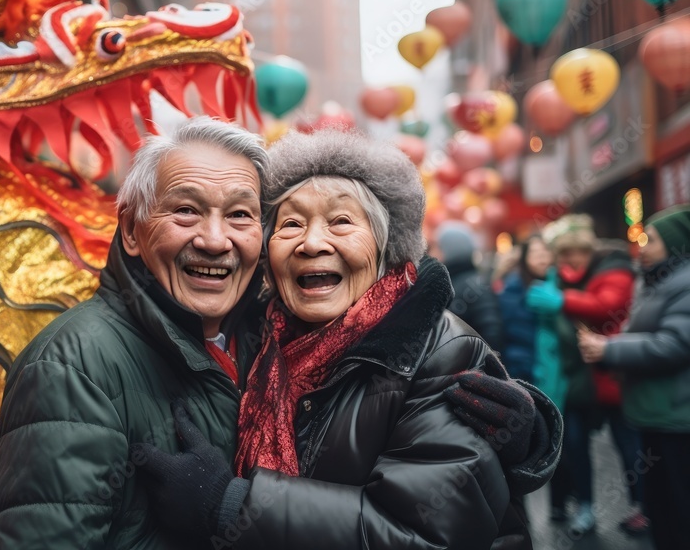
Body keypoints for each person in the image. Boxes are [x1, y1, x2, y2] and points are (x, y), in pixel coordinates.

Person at [132, 129, 561, 550]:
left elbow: (424, 535)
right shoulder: (254, 338)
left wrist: (233, 507)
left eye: (340, 221)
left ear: (385, 247)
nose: (311, 243)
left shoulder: (440, 353)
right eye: (292, 223)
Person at [0, 117, 271, 549]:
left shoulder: (274, 343)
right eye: (186, 210)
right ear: (133, 230)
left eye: (240, 214)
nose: (215, 240)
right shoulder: (73, 367)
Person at [577, 204, 690, 550]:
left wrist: (609, 350)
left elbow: (675, 343)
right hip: (655, 414)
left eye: (651, 239)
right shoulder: (657, 280)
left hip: (677, 418)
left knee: (678, 505)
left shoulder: (683, 284)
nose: (642, 246)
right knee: (661, 506)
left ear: (673, 243)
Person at [526, 214, 645, 536]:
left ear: (588, 251)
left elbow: (606, 305)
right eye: (562, 255)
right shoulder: (558, 278)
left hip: (608, 377)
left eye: (574, 253)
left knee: (628, 443)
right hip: (574, 379)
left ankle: (641, 506)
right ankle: (586, 506)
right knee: (575, 445)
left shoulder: (612, 267)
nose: (569, 261)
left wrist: (562, 300)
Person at [434, 221, 506, 353]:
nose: (434, 252)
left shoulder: (474, 284)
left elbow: (491, 332)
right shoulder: (453, 280)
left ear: (451, 249)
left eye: (438, 247)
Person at [499, 235, 554, 384]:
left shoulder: (557, 285)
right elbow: (512, 330)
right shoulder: (513, 288)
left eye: (545, 252)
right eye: (535, 253)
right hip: (523, 367)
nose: (541, 258)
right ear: (524, 257)